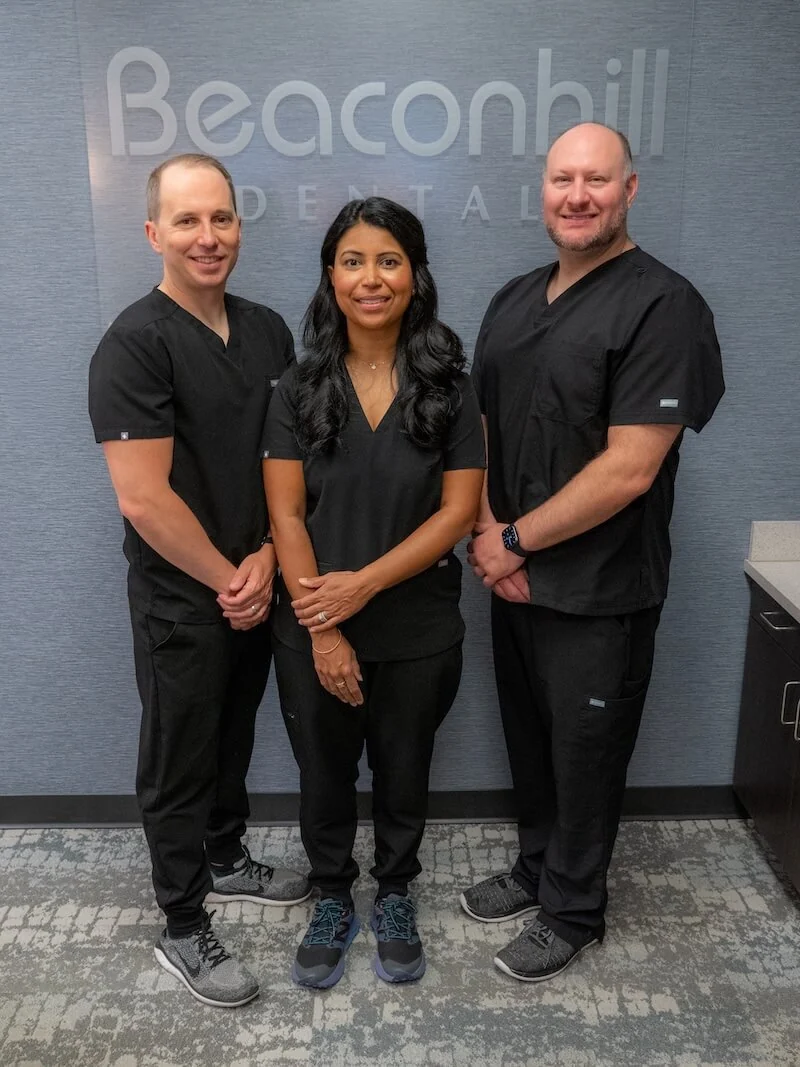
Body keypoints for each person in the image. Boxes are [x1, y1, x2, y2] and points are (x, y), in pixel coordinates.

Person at [461, 123, 725, 982]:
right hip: (513, 576)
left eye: (597, 180)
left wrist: (508, 539)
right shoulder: (512, 299)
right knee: (530, 742)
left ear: (631, 190)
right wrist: (496, 534)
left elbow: (628, 468)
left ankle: (574, 908)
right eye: (562, 179)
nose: (578, 195)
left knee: (585, 753)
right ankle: (538, 866)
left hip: (600, 589)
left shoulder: (664, 304)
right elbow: (488, 426)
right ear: (542, 190)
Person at [88, 153, 309, 1009]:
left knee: (233, 735)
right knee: (180, 754)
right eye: (187, 221)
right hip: (186, 597)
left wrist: (266, 560)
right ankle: (183, 922)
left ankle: (225, 854)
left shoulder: (268, 332)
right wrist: (231, 577)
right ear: (154, 233)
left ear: (238, 228)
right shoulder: (134, 345)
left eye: (220, 218)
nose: (207, 236)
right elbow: (143, 498)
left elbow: (283, 459)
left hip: (253, 576)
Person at [263, 197, 485, 989]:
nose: (371, 277)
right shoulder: (296, 386)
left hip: (419, 627)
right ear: (331, 274)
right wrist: (325, 627)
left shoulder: (449, 389)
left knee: (404, 769)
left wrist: (365, 584)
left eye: (388, 260)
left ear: (415, 275)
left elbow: (459, 511)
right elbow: (285, 512)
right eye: (353, 260)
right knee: (322, 774)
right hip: (312, 630)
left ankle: (394, 892)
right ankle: (332, 895)